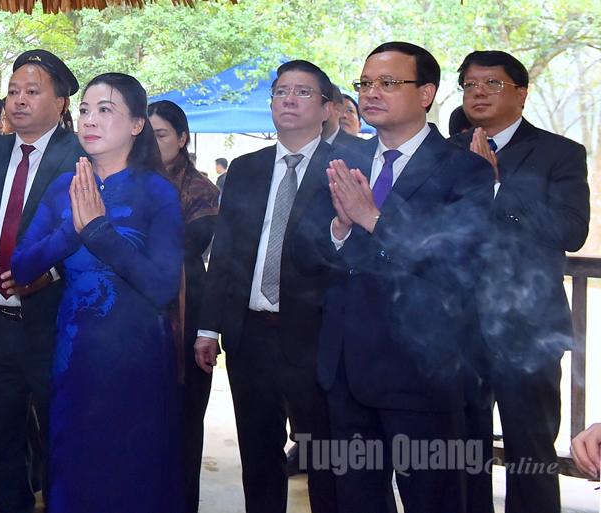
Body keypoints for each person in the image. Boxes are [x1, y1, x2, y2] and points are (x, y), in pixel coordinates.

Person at [307, 42, 493, 513]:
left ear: (426, 93)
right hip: (346, 367)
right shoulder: (342, 159)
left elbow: (454, 260)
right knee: (355, 501)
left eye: (388, 83)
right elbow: (311, 253)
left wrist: (374, 220)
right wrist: (340, 228)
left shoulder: (464, 169)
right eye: (365, 83)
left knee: (432, 500)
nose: (372, 93)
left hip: (422, 371)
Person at [11, 73, 183, 513]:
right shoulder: (62, 187)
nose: (89, 119)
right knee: (74, 466)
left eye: (105, 110)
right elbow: (20, 266)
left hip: (137, 357)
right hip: (75, 352)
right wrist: (72, 230)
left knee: (135, 471)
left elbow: (163, 286)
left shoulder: (156, 191)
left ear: (136, 125)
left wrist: (100, 232)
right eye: (85, 109)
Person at [193, 60, 341, 513]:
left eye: (302, 92)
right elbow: (226, 255)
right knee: (258, 450)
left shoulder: (349, 164)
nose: (289, 100)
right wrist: (208, 327)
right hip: (250, 332)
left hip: (319, 336)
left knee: (325, 456)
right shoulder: (245, 169)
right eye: (281, 92)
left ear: (326, 107)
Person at [0, 49, 85, 513]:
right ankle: (9, 503)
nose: (18, 100)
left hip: (53, 321)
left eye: (32, 91)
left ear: (61, 103)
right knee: (1, 428)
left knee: (58, 428)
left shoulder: (80, 156)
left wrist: (48, 271)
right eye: (12, 91)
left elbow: (95, 231)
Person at [453, 50, 590, 513]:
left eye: (491, 84)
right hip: (454, 329)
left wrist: (495, 186)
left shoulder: (560, 153)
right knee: (461, 451)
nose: (478, 93)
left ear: (521, 94)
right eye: (470, 84)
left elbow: (571, 230)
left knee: (530, 452)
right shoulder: (445, 153)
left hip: (528, 332)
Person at [148, 99, 219, 513]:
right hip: (134, 323)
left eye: (161, 135)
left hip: (185, 319)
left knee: (183, 429)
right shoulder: (128, 180)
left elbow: (185, 252)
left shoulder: (199, 191)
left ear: (182, 137)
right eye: (147, 136)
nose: (153, 145)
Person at [324, 84, 367, 152]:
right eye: (337, 110)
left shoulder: (371, 153)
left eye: (349, 111)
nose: (343, 115)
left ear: (359, 125)